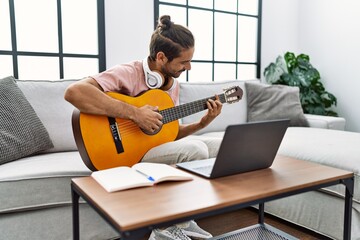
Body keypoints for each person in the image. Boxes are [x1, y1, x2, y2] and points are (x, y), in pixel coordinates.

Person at [64, 15, 222, 239]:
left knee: (217, 147)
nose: (189, 66)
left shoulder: (171, 85)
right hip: (118, 153)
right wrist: (135, 113)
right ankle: (164, 228)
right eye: (184, 62)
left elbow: (168, 134)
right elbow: (74, 92)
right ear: (161, 57)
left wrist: (202, 123)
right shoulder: (129, 72)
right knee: (196, 151)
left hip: (148, 148)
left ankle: (185, 219)